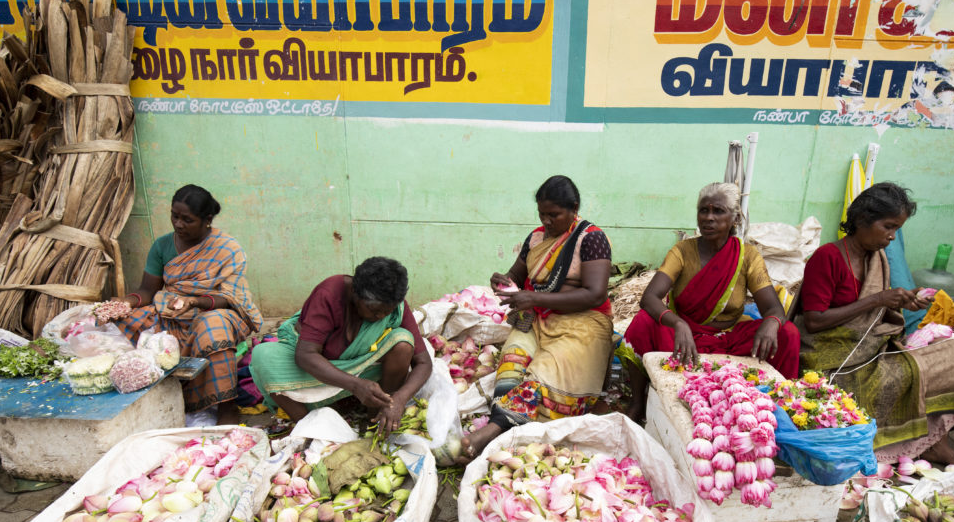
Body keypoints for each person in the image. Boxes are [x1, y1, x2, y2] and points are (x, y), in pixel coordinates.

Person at [798, 182, 954, 465]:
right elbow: (813, 321)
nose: (892, 236)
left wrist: (904, 301)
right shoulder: (828, 257)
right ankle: (905, 444)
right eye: (888, 227)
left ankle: (934, 441)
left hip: (871, 347)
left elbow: (872, 312)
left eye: (897, 229)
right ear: (862, 220)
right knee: (913, 371)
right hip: (834, 359)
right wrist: (879, 299)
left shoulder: (876, 258)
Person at [461, 175, 613, 458]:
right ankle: (508, 421)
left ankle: (492, 431)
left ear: (574, 208)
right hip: (537, 320)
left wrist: (535, 298)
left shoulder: (591, 238)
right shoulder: (535, 238)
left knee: (543, 379)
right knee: (511, 364)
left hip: (583, 324)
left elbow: (595, 294)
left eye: (554, 214)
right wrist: (503, 281)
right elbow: (516, 276)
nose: (547, 221)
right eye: (542, 214)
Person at [623, 182, 800, 421]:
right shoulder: (682, 251)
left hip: (728, 339)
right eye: (703, 210)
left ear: (735, 218)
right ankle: (637, 401)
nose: (709, 218)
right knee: (643, 321)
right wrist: (678, 323)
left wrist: (771, 322)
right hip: (683, 339)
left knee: (787, 332)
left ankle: (782, 405)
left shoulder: (747, 256)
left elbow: (773, 308)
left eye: (718, 211)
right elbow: (650, 298)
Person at [114, 185, 263, 424]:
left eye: (187, 219)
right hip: (172, 311)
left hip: (217, 311)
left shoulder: (227, 248)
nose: (178, 224)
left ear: (207, 220)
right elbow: (148, 291)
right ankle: (153, 397)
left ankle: (226, 405)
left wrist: (194, 301)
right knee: (120, 322)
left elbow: (229, 298)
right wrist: (125, 303)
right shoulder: (162, 246)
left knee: (213, 325)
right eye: (174, 216)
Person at [248, 256, 432, 434]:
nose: (381, 316)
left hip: (360, 366)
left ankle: (375, 418)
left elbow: (423, 362)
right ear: (355, 293)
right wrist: (356, 385)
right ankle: (311, 427)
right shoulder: (329, 294)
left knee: (403, 343)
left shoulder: (394, 304)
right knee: (263, 357)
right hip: (318, 369)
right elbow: (305, 354)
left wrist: (398, 400)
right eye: (374, 310)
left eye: (387, 311)